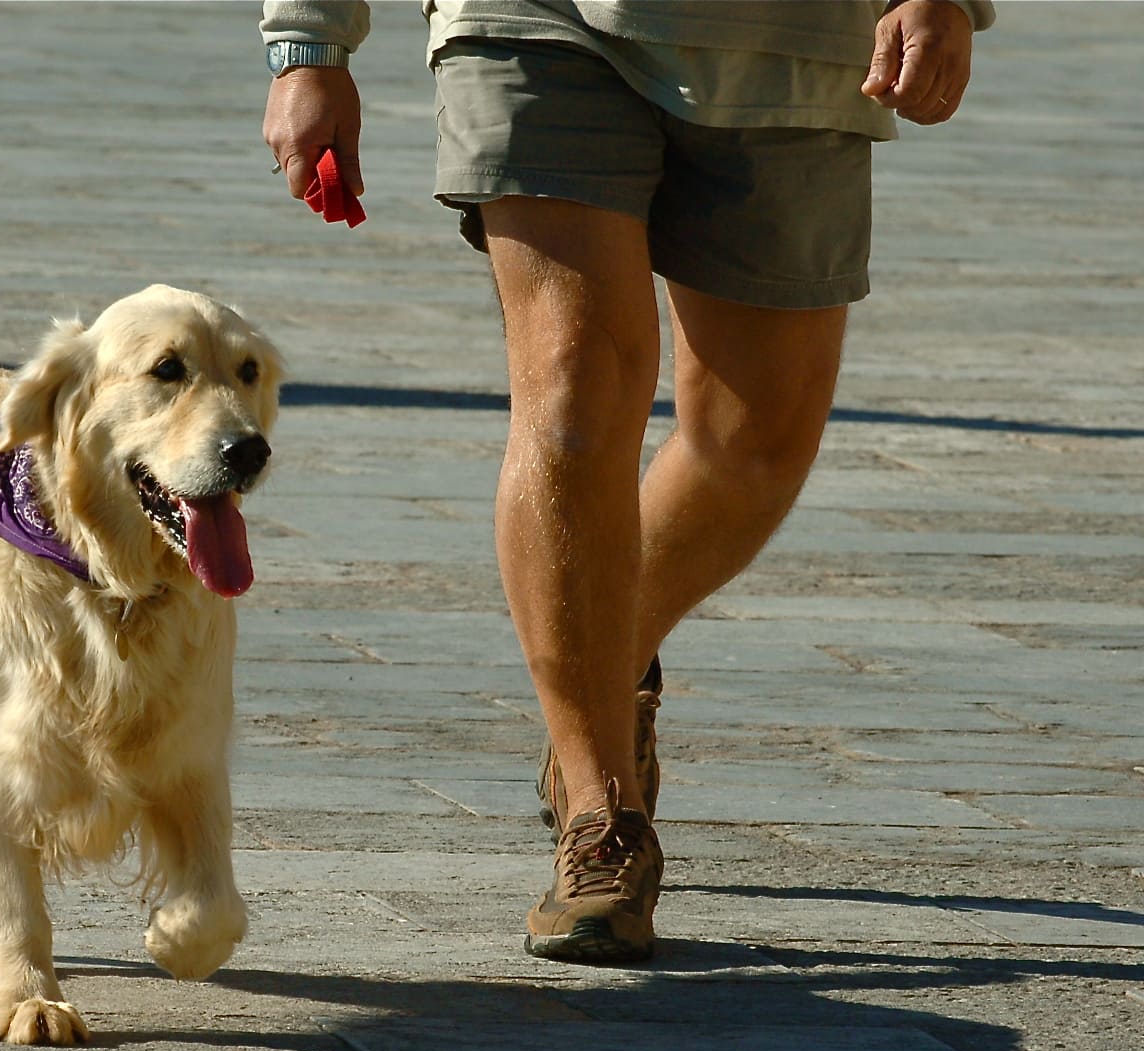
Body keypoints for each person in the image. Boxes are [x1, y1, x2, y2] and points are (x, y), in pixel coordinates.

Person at [261, 0, 993, 963]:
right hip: (533, 21)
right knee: (572, 394)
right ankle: (601, 808)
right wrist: (309, 43)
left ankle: (609, 653)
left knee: (754, 442)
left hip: (797, 39)